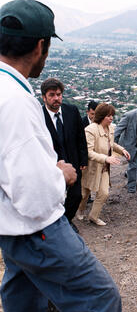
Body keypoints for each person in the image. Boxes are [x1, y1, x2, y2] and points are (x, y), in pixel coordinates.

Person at [0, 0, 121, 312]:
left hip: (7, 222)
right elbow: (35, 197)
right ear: (41, 47)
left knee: (21, 273)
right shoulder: (17, 102)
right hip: (35, 227)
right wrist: (62, 175)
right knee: (100, 299)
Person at [41, 77, 88, 234]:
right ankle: (54, 226)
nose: (56, 98)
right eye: (52, 95)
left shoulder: (71, 111)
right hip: (51, 167)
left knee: (76, 196)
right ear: (44, 97)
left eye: (59, 94)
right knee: (55, 199)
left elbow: (81, 137)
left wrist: (83, 159)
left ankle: (67, 221)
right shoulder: (38, 116)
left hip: (73, 162)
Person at [78, 103, 130, 225]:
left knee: (104, 193)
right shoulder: (90, 130)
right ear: (101, 116)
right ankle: (80, 210)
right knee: (84, 194)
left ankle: (93, 216)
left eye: (112, 115)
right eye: (108, 115)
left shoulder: (111, 129)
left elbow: (111, 145)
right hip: (91, 168)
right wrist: (106, 158)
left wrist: (122, 150)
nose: (111, 118)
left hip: (104, 168)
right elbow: (89, 152)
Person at [114, 97, 137, 193]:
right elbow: (118, 130)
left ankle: (128, 174)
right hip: (129, 145)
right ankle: (131, 188)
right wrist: (113, 145)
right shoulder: (129, 115)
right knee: (133, 165)